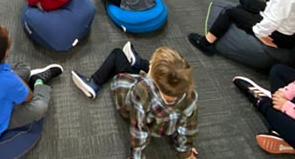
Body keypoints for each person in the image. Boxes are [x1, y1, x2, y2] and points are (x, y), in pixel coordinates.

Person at [71, 43, 199, 159]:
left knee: (117, 54)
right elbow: (188, 127)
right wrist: (185, 151)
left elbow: (139, 131)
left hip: (127, 93)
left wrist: (136, 157)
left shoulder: (142, 91)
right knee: (158, 73)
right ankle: (136, 63)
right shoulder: (190, 95)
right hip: (162, 125)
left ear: (152, 80)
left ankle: (94, 82)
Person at [0, 22, 63, 139]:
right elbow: (29, 97)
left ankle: (20, 85)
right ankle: (38, 81)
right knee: (39, 106)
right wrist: (10, 85)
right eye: (8, 34)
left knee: (24, 69)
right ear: (6, 53)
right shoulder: (8, 80)